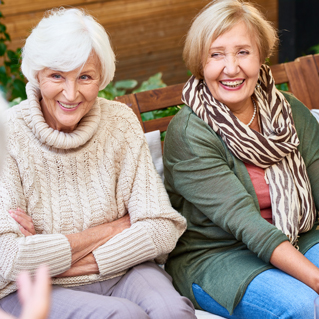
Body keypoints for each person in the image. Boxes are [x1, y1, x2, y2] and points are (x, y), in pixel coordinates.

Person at [0, 8, 196, 319]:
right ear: (36, 73)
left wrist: (51, 255)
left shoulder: (119, 122)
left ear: (101, 78)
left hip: (121, 272)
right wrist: (118, 226)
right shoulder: (8, 134)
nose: (70, 93)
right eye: (56, 76)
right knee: (124, 316)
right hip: (32, 291)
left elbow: (161, 228)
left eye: (85, 77)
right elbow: (9, 258)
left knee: (172, 311)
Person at [163, 0, 319, 318]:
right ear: (199, 62)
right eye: (216, 54)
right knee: (303, 305)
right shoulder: (190, 134)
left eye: (243, 52)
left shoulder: (289, 111)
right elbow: (248, 226)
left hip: (301, 236)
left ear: (261, 56)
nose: (231, 68)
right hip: (220, 257)